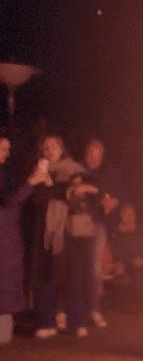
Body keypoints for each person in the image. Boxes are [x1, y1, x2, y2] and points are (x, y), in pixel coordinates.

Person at [31, 134, 84, 338]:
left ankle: (75, 321)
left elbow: (78, 195)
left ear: (62, 148)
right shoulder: (38, 171)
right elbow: (37, 197)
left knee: (71, 278)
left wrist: (52, 187)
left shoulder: (73, 169)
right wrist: (57, 188)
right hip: (46, 233)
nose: (50, 150)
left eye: (53, 146)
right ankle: (47, 322)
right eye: (46, 148)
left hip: (68, 232)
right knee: (45, 277)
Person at [0, 133, 48, 344]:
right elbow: (10, 200)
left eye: (8, 149)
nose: (7, 153)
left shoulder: (4, 173)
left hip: (8, 235)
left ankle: (3, 331)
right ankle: (2, 332)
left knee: (7, 283)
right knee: (5, 283)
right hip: (4, 237)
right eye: (2, 149)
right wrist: (31, 182)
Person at [82, 137, 126, 328]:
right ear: (86, 154)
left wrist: (112, 204)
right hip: (78, 225)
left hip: (98, 225)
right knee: (78, 268)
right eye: (91, 153)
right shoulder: (79, 171)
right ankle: (74, 309)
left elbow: (119, 199)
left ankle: (94, 308)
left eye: (98, 154)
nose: (94, 157)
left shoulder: (109, 174)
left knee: (95, 268)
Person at [62, 169, 104, 336]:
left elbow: (102, 196)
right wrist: (74, 190)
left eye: (81, 183)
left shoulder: (90, 198)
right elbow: (68, 201)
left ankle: (85, 318)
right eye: (75, 183)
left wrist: (89, 188)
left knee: (88, 280)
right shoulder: (67, 196)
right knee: (74, 281)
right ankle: (76, 322)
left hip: (88, 241)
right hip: (72, 242)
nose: (79, 186)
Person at [109, 202, 143, 313]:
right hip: (126, 264)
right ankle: (142, 306)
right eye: (126, 214)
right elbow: (115, 252)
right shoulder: (116, 233)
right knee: (135, 275)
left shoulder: (141, 231)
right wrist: (130, 260)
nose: (130, 216)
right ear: (121, 216)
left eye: (132, 213)